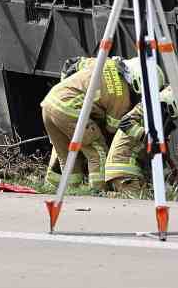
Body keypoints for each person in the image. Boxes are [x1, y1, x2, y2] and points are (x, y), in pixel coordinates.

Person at [40, 55, 146, 190]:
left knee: (67, 155)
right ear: (136, 83)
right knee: (98, 150)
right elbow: (112, 129)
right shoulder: (122, 96)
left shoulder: (104, 62)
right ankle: (99, 192)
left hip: (50, 102)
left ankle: (64, 190)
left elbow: (71, 64)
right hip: (70, 110)